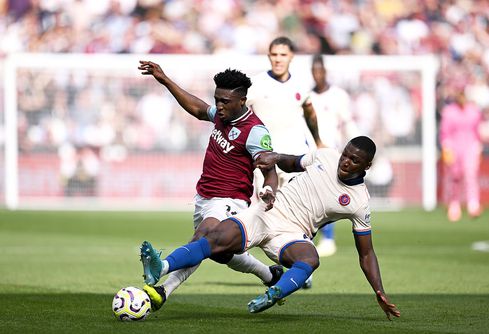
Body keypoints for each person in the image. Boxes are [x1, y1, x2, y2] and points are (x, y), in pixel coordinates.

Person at [139, 136, 401, 319]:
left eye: (354, 160)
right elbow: (293, 162)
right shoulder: (326, 156)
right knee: (215, 238)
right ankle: (160, 267)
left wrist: (379, 290)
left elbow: (366, 254)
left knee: (310, 259)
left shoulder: (360, 202)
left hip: (293, 233)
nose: (345, 162)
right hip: (268, 211)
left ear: (367, 166)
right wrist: (275, 157)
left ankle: (275, 293)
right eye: (345, 155)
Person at [137, 60, 283, 311]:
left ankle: (163, 283)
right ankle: (270, 275)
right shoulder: (224, 116)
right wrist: (166, 80)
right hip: (204, 196)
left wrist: (269, 190)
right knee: (219, 253)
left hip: (230, 200)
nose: (219, 106)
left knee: (201, 238)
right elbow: (198, 109)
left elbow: (270, 169)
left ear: (242, 101)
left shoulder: (255, 131)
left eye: (225, 101)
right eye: (217, 99)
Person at [246, 36, 323, 288]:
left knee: (303, 215)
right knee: (269, 214)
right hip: (265, 163)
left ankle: (303, 265)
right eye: (274, 55)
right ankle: (290, 263)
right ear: (269, 56)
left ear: (291, 57)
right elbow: (240, 114)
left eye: (283, 55)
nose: (278, 59)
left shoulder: (301, 85)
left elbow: (309, 111)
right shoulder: (255, 84)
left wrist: (319, 141)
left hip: (295, 160)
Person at [309, 53, 361, 257]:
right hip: (312, 154)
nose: (318, 75)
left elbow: (348, 123)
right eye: (314, 71)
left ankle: (328, 238)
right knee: (315, 197)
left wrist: (359, 146)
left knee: (328, 196)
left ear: (325, 71)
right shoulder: (308, 97)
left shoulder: (338, 95)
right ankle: (318, 237)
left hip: (334, 153)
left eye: (320, 70)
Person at [439, 90, 482, 221]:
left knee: (470, 174)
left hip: (470, 146)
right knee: (454, 177)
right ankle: (454, 204)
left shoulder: (473, 111)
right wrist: (446, 147)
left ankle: (473, 204)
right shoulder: (449, 112)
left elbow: (476, 131)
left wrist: (478, 146)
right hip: (454, 147)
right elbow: (445, 132)